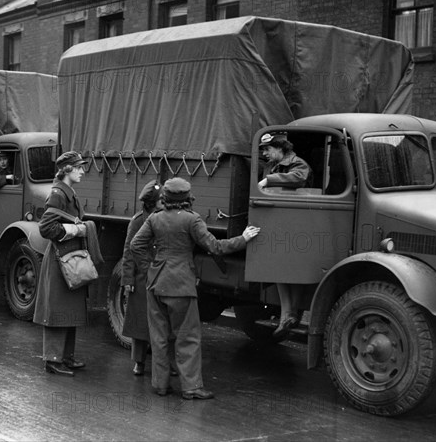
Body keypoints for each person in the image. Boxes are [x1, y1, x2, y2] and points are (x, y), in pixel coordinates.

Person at [130, 177, 261, 399]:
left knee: (159, 337)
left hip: (156, 284)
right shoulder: (192, 220)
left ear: (166, 198)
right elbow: (216, 247)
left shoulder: (155, 219)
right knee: (187, 336)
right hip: (181, 285)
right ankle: (191, 387)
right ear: (187, 198)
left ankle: (160, 385)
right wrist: (244, 238)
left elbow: (135, 245)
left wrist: (151, 267)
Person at [33, 151, 102, 377]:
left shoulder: (67, 192)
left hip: (70, 259)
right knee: (57, 310)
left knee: (70, 308)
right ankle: (52, 359)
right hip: (60, 259)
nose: (82, 171)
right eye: (79, 167)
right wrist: (76, 229)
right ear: (67, 170)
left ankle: (66, 356)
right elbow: (46, 228)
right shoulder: (58, 194)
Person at [257, 133, 312, 341]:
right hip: (280, 222)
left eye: (267, 149)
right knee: (280, 270)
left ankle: (290, 315)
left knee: (293, 270)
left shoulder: (298, 164)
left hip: (299, 223)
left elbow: (299, 178)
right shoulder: (271, 167)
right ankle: (287, 315)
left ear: (280, 148)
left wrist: (268, 180)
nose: (265, 153)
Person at [121, 179, 168, 376]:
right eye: (160, 199)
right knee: (140, 324)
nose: (163, 201)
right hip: (142, 278)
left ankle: (166, 363)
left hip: (161, 275)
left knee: (164, 322)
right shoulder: (139, 220)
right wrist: (128, 281)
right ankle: (139, 362)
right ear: (151, 203)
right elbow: (129, 251)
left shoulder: (165, 218)